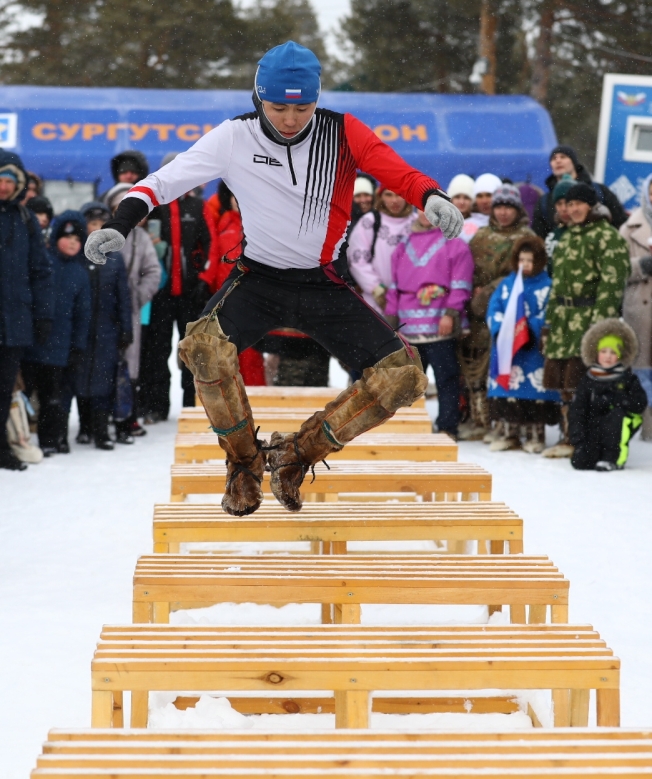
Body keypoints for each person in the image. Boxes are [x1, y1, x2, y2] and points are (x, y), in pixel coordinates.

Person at [85, 40, 463, 516]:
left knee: (403, 378)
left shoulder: (342, 133)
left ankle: (295, 456)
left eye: (302, 107)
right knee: (202, 349)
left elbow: (398, 172)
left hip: (322, 282)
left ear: (317, 99)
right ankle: (243, 463)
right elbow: (162, 182)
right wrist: (120, 224)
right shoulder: (233, 137)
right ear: (257, 99)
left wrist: (432, 196)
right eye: (278, 107)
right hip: (258, 280)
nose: (290, 118)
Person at [542, 182, 631, 458]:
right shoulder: (566, 236)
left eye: (578, 204)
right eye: (569, 204)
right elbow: (557, 283)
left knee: (582, 381)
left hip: (589, 318)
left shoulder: (607, 236)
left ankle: (585, 438)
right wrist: (549, 322)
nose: (573, 209)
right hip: (563, 320)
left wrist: (598, 325)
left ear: (591, 206)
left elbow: (612, 283)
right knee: (563, 382)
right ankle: (569, 435)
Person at [137, 151, 213, 421]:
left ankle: (192, 405)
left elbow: (208, 245)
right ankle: (157, 407)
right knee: (157, 351)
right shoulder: (153, 205)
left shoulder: (197, 206)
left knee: (192, 353)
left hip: (191, 294)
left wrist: (199, 272)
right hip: (160, 293)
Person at [385, 208, 473, 437]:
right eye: (421, 210)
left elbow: (461, 283)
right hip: (408, 326)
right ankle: (410, 426)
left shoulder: (455, 244)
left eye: (432, 211)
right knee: (409, 382)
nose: (426, 215)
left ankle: (447, 426)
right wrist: (391, 320)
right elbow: (394, 287)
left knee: (447, 378)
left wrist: (451, 313)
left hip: (439, 324)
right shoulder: (403, 246)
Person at [459, 183, 535, 441]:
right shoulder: (480, 235)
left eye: (508, 208)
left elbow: (523, 275)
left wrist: (491, 290)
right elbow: (466, 268)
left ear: (517, 210)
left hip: (509, 312)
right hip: (477, 315)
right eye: (499, 207)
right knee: (474, 367)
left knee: (502, 367)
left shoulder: (527, 238)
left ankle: (500, 423)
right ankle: (478, 420)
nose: (503, 213)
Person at [0, 150, 53, 471]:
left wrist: (44, 315)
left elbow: (41, 272)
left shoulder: (24, 219)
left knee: (5, 390)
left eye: (9, 181)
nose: (4, 187)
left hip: (14, 321)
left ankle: (2, 448)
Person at [21, 212, 91, 455]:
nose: (72, 242)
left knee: (53, 397)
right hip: (32, 343)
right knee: (23, 394)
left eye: (77, 239)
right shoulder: (43, 262)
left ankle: (51, 439)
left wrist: (78, 346)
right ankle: (18, 437)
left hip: (61, 348)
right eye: (66, 237)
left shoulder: (80, 273)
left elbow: (83, 314)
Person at [486, 236, 560, 453]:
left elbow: (550, 313)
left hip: (534, 350)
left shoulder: (547, 285)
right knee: (508, 392)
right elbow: (494, 309)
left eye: (529, 260)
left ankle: (535, 435)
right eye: (521, 260)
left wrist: (529, 329)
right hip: (508, 349)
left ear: (539, 261)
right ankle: (509, 434)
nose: (525, 265)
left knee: (533, 396)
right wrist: (501, 328)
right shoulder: (507, 284)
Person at [105, 183, 162, 439]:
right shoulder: (105, 233)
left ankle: (127, 415)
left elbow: (153, 272)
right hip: (104, 311)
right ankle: (103, 413)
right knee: (104, 360)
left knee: (130, 363)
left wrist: (136, 297)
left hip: (130, 310)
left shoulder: (141, 238)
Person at [77, 201, 132, 450]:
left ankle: (100, 431)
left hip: (107, 329)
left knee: (103, 380)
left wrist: (126, 329)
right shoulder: (76, 256)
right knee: (79, 376)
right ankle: (84, 427)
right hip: (81, 329)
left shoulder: (114, 258)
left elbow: (124, 297)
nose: (96, 229)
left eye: (101, 224)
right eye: (92, 224)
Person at [202, 180, 265, 386]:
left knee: (251, 354)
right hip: (225, 300)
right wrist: (207, 282)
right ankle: (229, 402)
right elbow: (213, 254)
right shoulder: (222, 222)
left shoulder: (260, 224)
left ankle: (255, 399)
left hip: (253, 298)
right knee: (225, 353)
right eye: (234, 196)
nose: (239, 201)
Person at [569, 318, 647, 471]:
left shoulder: (627, 378)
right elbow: (577, 409)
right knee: (581, 462)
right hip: (595, 423)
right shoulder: (589, 379)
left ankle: (614, 457)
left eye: (613, 352)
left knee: (616, 417)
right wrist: (578, 440)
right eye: (603, 351)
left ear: (619, 355)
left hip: (621, 422)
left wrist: (619, 400)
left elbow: (640, 403)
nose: (607, 356)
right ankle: (592, 451)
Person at [532, 145, 627, 239]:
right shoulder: (544, 202)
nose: (558, 161)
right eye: (553, 158)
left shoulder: (599, 191)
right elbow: (539, 238)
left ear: (574, 162)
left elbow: (620, 224)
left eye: (563, 157)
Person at [619, 173, 652, 441]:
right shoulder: (629, 228)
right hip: (639, 309)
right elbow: (616, 268)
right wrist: (642, 266)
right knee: (639, 371)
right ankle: (637, 424)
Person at [348, 187, 416, 313]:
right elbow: (357, 259)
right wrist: (376, 288)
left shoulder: (416, 223)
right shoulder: (370, 222)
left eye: (399, 194)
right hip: (375, 300)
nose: (395, 200)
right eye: (389, 195)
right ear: (381, 196)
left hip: (411, 300)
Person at [543, 174, 574, 267]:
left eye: (568, 203)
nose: (564, 208)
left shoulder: (586, 232)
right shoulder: (552, 236)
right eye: (559, 204)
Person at [463, 173, 502, 243]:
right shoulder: (463, 227)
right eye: (479, 196)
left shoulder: (508, 225)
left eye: (489, 195)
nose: (484, 201)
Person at [447, 174, 476, 244]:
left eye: (466, 198)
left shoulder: (480, 224)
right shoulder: (440, 223)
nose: (461, 202)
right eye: (457, 197)